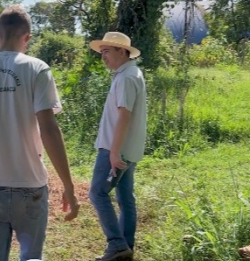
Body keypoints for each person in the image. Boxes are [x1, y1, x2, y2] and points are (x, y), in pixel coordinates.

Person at [0, 5, 80, 261]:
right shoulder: (37, 69)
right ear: (27, 38)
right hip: (30, 186)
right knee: (32, 256)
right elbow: (49, 129)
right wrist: (68, 184)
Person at [88, 32, 148, 261]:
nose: (103, 57)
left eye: (106, 51)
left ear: (122, 51)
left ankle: (117, 244)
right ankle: (126, 247)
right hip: (127, 148)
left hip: (116, 149)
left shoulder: (126, 77)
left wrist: (113, 152)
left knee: (97, 193)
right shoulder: (130, 73)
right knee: (125, 197)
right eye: (101, 52)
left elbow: (124, 115)